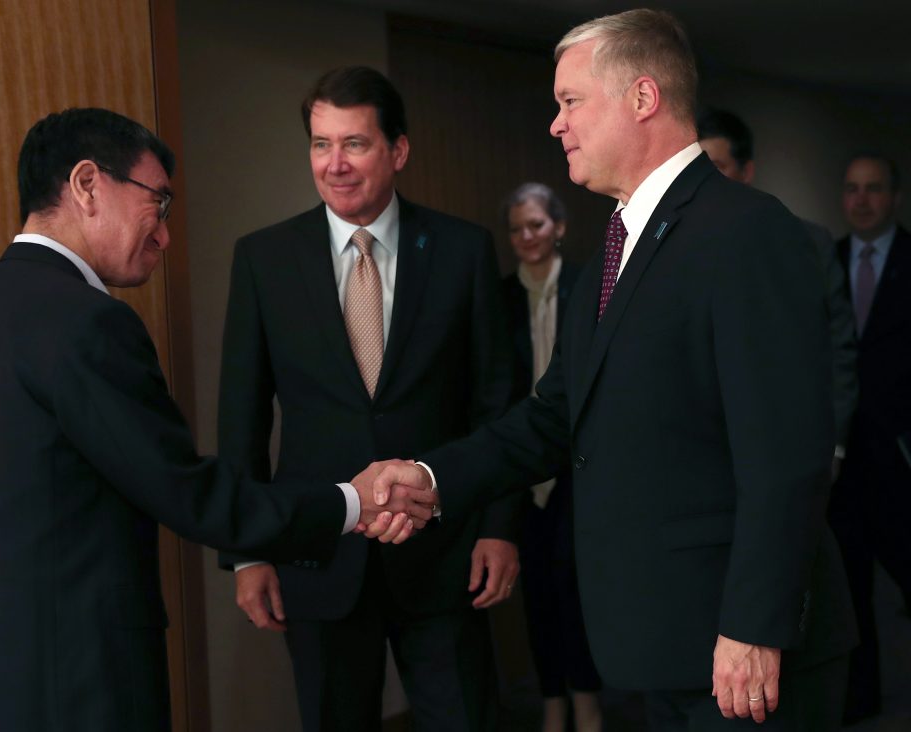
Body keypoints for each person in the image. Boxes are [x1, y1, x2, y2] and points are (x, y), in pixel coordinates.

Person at [373, 9, 857, 731]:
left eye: (570, 102)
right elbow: (557, 412)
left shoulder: (748, 232)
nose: (555, 124)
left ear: (642, 98)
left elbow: (786, 455)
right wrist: (435, 479)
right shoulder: (615, 246)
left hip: (743, 651)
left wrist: (756, 626)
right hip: (660, 643)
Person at [0, 107, 433, 732]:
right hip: (78, 684)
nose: (164, 235)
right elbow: (186, 492)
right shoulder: (87, 322)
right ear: (86, 184)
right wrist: (352, 503)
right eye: (158, 202)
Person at [216, 66, 518, 732]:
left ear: (398, 151)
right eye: (321, 145)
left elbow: (497, 403)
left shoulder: (463, 251)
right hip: (318, 557)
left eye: (354, 143)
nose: (335, 164)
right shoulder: (264, 259)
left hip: (444, 557)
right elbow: (240, 415)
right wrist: (249, 552)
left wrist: (499, 526)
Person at [696, 107, 859, 482]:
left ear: (746, 172)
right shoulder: (673, 245)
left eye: (717, 166)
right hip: (698, 453)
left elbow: (837, 349)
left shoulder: (806, 241)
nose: (704, 179)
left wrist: (834, 444)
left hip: (786, 445)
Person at [500, 182, 601, 732]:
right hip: (522, 468)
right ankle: (551, 701)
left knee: (574, 586)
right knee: (536, 588)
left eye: (536, 225)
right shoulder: (499, 297)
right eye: (516, 228)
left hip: (579, 465)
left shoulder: (589, 286)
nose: (526, 237)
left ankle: (586, 698)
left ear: (558, 227)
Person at [829, 152, 911, 724]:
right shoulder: (825, 259)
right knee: (850, 589)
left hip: (900, 452)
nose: (862, 199)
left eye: (874, 189)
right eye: (853, 188)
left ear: (895, 197)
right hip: (842, 455)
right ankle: (860, 705)